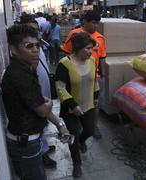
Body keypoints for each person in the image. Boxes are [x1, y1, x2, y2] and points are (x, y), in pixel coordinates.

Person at [2, 24, 70, 180]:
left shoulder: (25, 69)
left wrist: (60, 125)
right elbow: (42, 110)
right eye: (29, 46)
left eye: (37, 45)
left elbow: (40, 105)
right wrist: (49, 104)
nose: (35, 50)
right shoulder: (20, 75)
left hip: (29, 140)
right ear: (13, 49)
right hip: (26, 144)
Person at [56, 32, 100, 178]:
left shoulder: (93, 61)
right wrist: (73, 105)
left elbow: (94, 82)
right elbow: (60, 88)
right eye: (87, 48)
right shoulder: (64, 64)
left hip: (89, 106)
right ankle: (77, 163)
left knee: (89, 130)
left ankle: (82, 141)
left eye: (91, 49)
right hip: (71, 110)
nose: (90, 52)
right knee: (72, 137)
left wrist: (96, 98)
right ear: (77, 48)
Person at [19, 13, 58, 168]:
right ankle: (42, 154)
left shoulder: (37, 45)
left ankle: (45, 147)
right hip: (37, 95)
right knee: (38, 123)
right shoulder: (25, 51)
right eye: (31, 30)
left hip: (44, 92)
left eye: (37, 30)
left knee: (42, 124)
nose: (36, 33)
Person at [62, 10, 105, 139]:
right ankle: (77, 125)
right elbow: (67, 55)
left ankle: (93, 126)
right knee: (76, 102)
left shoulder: (100, 38)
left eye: (97, 23)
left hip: (94, 77)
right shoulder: (74, 34)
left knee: (95, 104)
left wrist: (103, 76)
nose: (95, 26)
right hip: (76, 77)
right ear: (85, 22)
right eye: (93, 23)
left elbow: (102, 58)